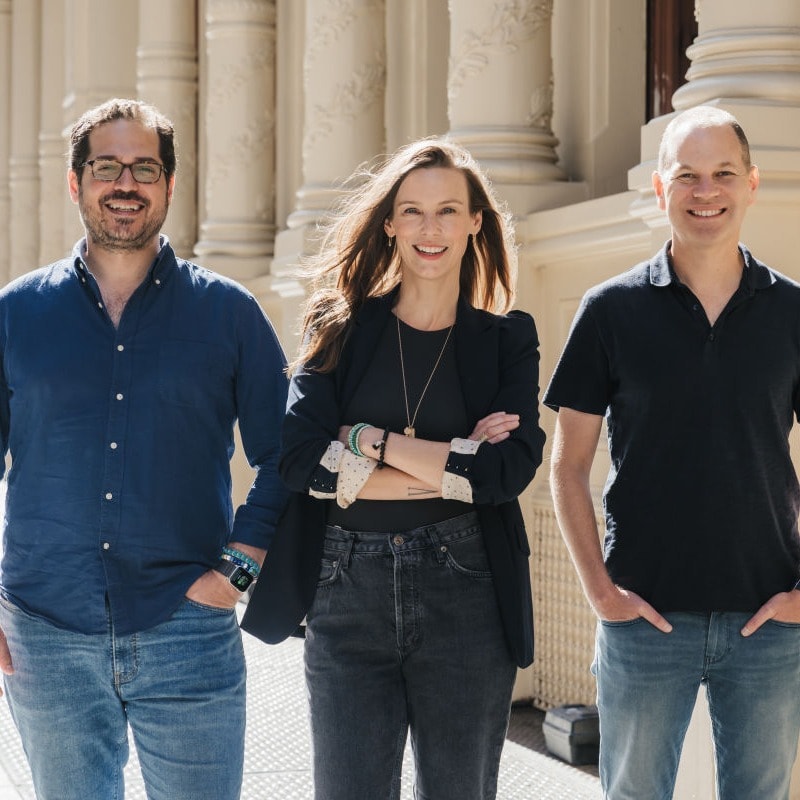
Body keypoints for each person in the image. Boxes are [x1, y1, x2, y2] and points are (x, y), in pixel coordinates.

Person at [0, 98, 288, 800]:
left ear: (168, 185)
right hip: (46, 630)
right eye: (106, 167)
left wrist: (238, 573)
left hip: (187, 626)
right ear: (76, 182)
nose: (125, 184)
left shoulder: (230, 315)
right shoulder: (15, 314)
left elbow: (287, 455)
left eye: (144, 169)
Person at [241, 138, 546, 799]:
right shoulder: (339, 325)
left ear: (474, 222)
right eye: (411, 211)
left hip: (467, 589)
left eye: (446, 211)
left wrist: (368, 441)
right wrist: (451, 462)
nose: (428, 230)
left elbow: (506, 473)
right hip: (347, 585)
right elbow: (301, 462)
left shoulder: (507, 341)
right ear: (389, 223)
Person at [545, 104, 800, 799]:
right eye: (686, 175)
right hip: (643, 621)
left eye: (722, 174)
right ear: (660, 189)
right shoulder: (609, 310)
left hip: (769, 625)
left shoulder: (793, 313)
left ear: (752, 184)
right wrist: (601, 593)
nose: (704, 191)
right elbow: (566, 468)